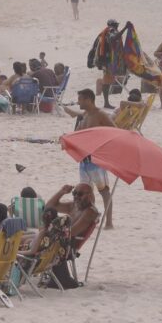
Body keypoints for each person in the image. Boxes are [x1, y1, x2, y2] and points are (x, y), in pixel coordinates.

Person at [61, 88, 116, 228]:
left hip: (96, 160)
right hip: (84, 160)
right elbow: (78, 134)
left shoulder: (100, 115)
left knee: (104, 191)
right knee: (84, 192)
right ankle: (89, 220)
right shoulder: (84, 115)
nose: (78, 102)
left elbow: (115, 131)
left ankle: (109, 222)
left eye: (80, 99)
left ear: (88, 100)